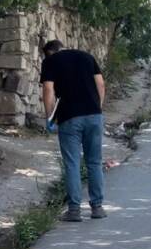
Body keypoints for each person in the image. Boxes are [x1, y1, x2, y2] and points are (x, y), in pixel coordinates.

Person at [41, 40, 107, 222]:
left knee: (72, 163)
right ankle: (97, 207)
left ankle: (74, 210)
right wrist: (97, 108)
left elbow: (48, 89)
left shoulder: (50, 61)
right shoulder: (87, 57)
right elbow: (100, 84)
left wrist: (49, 117)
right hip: (94, 116)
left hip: (69, 118)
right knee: (94, 161)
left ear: (49, 52)